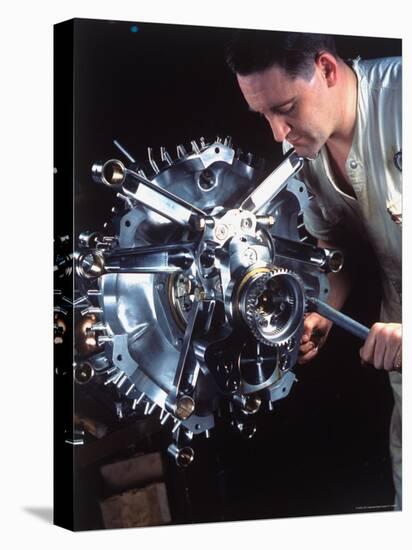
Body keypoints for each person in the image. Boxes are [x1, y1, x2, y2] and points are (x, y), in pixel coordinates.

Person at [226, 30, 402, 509]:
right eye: (262, 115)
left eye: (285, 109)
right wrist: (327, 309)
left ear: (325, 69)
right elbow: (333, 246)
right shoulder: (304, 153)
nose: (277, 133)